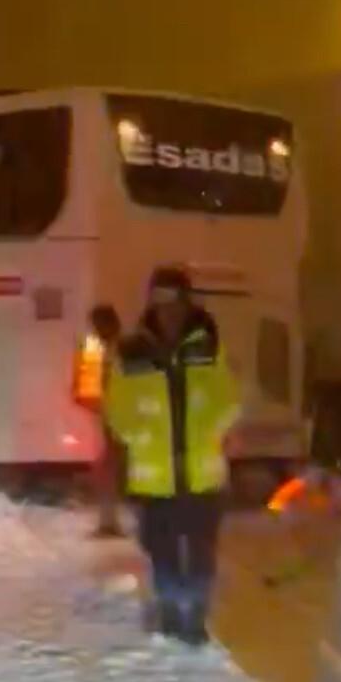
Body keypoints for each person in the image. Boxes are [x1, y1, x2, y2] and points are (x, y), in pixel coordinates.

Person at [105, 267, 239, 645]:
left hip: (202, 475)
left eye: (175, 302)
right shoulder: (131, 351)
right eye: (161, 303)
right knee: (161, 550)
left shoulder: (208, 345)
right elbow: (116, 408)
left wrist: (212, 424)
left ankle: (194, 615)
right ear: (151, 303)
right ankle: (167, 608)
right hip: (155, 477)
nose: (169, 312)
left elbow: (229, 398)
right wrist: (139, 428)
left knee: (200, 551)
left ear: (186, 302)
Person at [86, 303, 124, 539]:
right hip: (108, 419)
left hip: (123, 420)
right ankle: (108, 521)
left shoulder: (123, 351)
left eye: (100, 325)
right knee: (107, 471)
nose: (97, 330)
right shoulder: (100, 349)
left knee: (113, 472)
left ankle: (110, 522)